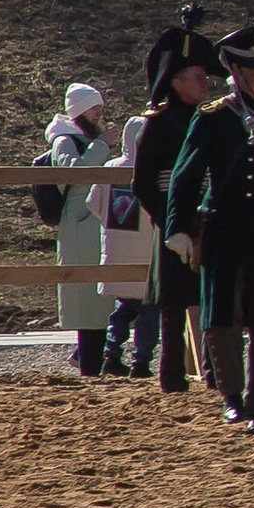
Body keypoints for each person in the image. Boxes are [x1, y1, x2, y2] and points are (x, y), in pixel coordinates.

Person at [164, 25, 254, 432]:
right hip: (226, 230)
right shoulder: (214, 118)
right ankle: (231, 398)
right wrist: (178, 226)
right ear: (238, 74)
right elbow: (185, 175)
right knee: (222, 317)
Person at [132, 5, 226, 394]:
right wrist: (168, 220)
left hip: (211, 215)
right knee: (173, 303)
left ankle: (216, 372)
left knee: (214, 298)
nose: (206, 84)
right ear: (176, 81)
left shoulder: (215, 119)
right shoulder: (156, 126)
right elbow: (144, 183)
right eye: (198, 77)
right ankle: (171, 375)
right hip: (173, 217)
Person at [46, 83, 115, 376]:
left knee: (99, 299)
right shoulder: (64, 141)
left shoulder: (85, 138)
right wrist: (102, 145)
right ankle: (89, 362)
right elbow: (77, 172)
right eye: (93, 108)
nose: (99, 113)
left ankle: (93, 358)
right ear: (80, 111)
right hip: (79, 226)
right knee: (88, 299)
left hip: (91, 225)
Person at [93, 115, 156, 378]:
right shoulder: (155, 171)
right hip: (147, 252)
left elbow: (94, 203)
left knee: (123, 308)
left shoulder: (111, 168)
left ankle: (111, 353)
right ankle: (141, 361)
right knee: (149, 311)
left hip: (116, 251)